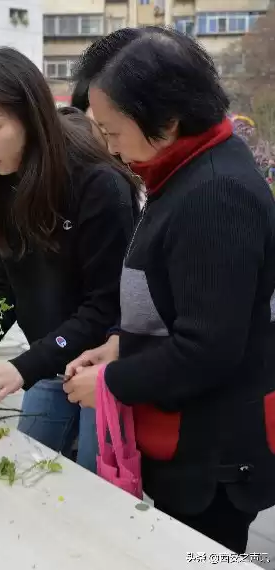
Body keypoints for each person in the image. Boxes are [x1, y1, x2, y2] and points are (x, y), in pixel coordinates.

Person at [63, 27, 275, 553]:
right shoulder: (180, 173)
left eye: (113, 131)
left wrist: (114, 380)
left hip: (213, 459)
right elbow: (183, 305)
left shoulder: (215, 194)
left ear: (169, 120)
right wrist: (122, 343)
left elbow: (209, 348)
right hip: (188, 440)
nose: (109, 148)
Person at [0, 46, 139, 472]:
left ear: (31, 115)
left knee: (93, 487)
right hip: (47, 361)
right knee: (28, 470)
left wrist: (24, 366)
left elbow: (108, 304)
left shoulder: (97, 185)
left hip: (101, 367)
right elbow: (2, 284)